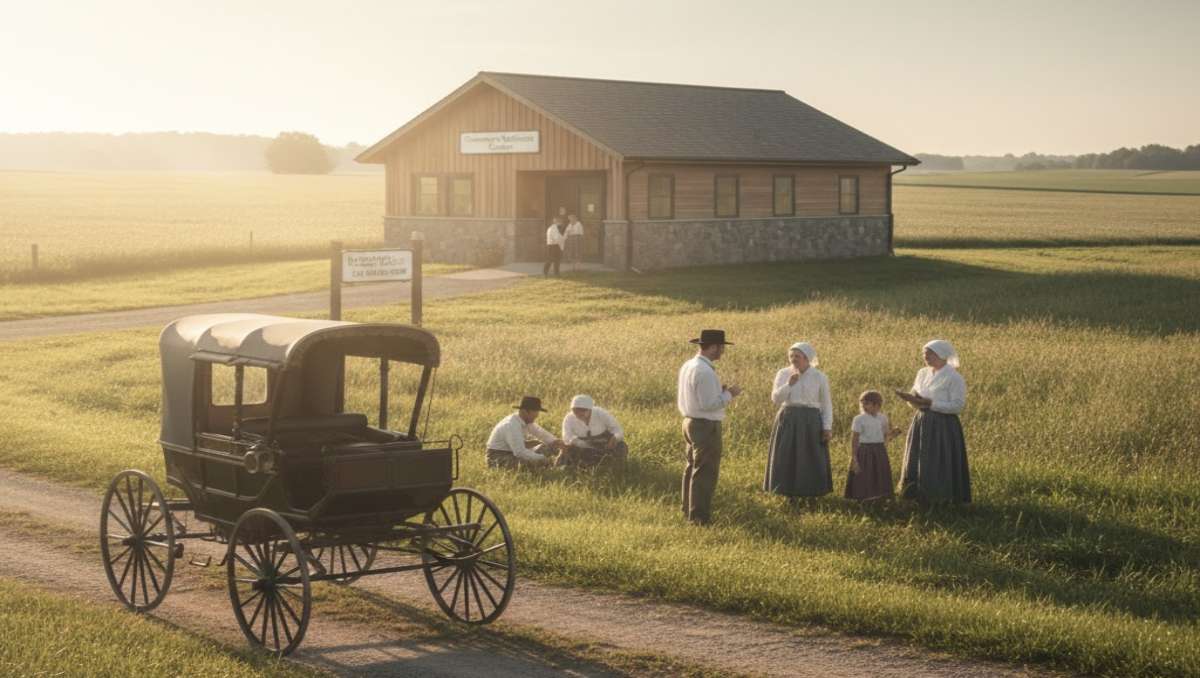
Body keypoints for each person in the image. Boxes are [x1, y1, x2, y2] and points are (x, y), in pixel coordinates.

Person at [677, 329, 741, 525]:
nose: (722, 351)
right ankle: (699, 518)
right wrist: (730, 394)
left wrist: (718, 392)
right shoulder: (704, 371)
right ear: (713, 347)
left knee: (692, 468)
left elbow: (701, 397)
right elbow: (708, 404)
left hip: (690, 421)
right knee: (705, 472)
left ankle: (688, 510)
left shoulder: (689, 365)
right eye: (721, 347)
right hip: (705, 425)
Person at [895, 340, 971, 503]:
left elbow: (957, 406)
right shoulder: (923, 373)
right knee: (919, 456)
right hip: (921, 420)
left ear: (942, 355)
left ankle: (940, 497)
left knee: (939, 459)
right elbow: (915, 395)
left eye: (930, 353)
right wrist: (910, 399)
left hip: (943, 425)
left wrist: (931, 404)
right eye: (924, 353)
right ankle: (915, 495)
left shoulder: (954, 377)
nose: (926, 356)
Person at [763, 342, 833, 499]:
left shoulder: (819, 377)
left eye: (797, 356)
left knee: (811, 456)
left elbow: (826, 403)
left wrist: (827, 427)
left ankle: (811, 493)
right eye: (791, 356)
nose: (793, 359)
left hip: (811, 420)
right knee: (787, 455)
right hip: (788, 417)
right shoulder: (783, 373)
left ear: (807, 358)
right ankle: (788, 493)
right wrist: (789, 384)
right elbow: (775, 399)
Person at [844, 390, 900, 501]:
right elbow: (855, 439)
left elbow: (885, 436)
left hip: (879, 450)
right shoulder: (859, 419)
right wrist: (854, 457)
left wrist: (894, 433)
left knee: (879, 473)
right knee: (864, 474)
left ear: (877, 405)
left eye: (867, 403)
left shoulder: (883, 418)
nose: (863, 406)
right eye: (862, 403)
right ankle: (862, 497)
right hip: (864, 450)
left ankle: (879, 497)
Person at [485, 395, 566, 468]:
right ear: (525, 411)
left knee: (550, 447)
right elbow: (520, 452)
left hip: (512, 453)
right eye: (534, 415)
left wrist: (556, 442)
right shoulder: (511, 425)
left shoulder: (526, 421)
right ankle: (552, 465)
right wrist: (542, 459)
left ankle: (560, 463)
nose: (536, 417)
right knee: (529, 463)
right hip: (497, 457)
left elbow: (540, 433)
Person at [558, 394, 628, 467]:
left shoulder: (600, 413)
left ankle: (615, 466)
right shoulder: (569, 418)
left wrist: (615, 438)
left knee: (621, 446)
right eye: (575, 411)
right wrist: (582, 444)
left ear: (590, 408)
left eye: (582, 410)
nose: (579, 413)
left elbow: (617, 429)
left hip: (604, 443)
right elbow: (566, 437)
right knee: (569, 452)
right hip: (581, 446)